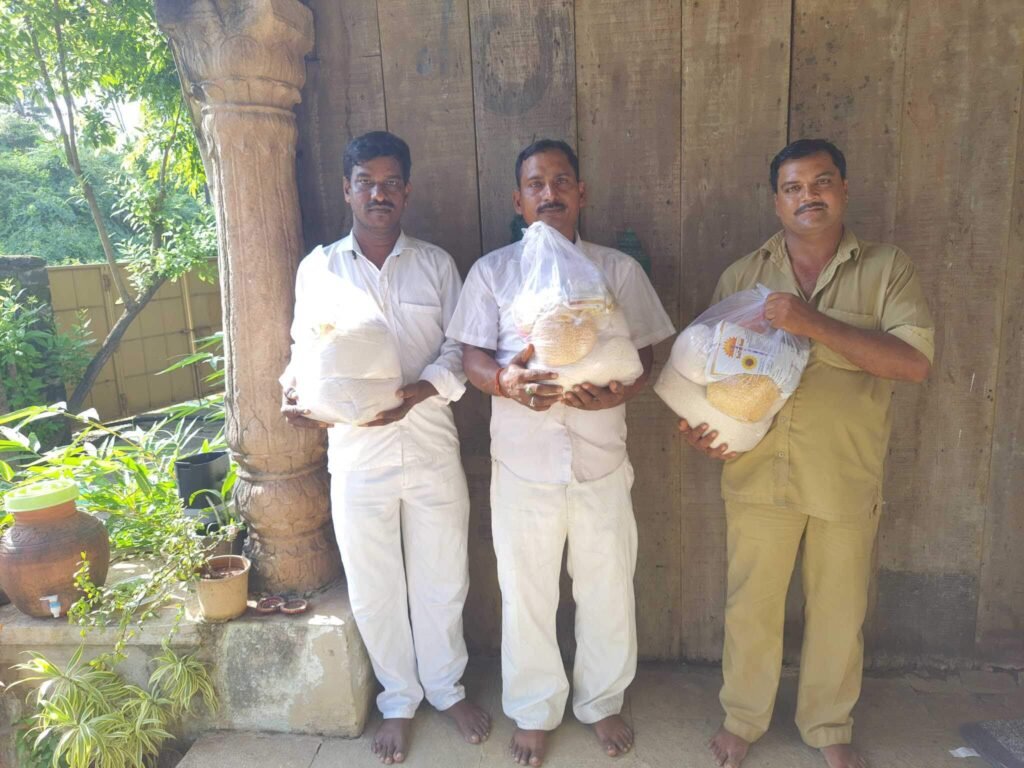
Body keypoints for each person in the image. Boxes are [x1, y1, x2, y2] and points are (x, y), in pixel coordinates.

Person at [679, 138, 933, 768]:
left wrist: (813, 323)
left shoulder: (887, 269)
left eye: (821, 183)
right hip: (757, 472)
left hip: (844, 472)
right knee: (751, 606)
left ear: (843, 189)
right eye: (793, 188)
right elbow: (711, 374)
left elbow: (913, 363)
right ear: (776, 202)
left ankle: (827, 726)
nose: (808, 196)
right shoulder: (742, 277)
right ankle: (742, 718)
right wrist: (702, 425)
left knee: (839, 610)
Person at [446, 139, 675, 767]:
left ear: (581, 193)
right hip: (523, 464)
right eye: (536, 184)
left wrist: (621, 390)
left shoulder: (615, 271)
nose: (550, 193)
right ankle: (534, 709)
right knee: (526, 592)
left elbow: (644, 352)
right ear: (518, 200)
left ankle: (602, 701)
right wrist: (504, 381)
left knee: (608, 587)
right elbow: (470, 356)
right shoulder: (494, 273)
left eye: (561, 181)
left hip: (602, 460)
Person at [280, 131, 490, 765]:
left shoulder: (436, 265)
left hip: (428, 441)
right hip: (355, 452)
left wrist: (419, 391)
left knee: (443, 576)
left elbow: (460, 349)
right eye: (366, 182)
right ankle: (399, 699)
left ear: (407, 191)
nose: (379, 193)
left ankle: (447, 689)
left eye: (391, 182)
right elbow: (305, 349)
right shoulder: (319, 268)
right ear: (346, 190)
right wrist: (296, 393)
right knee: (373, 585)